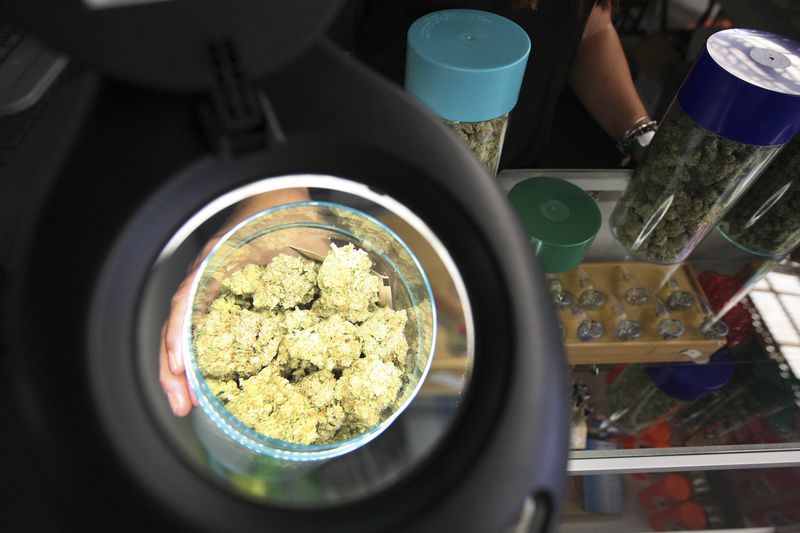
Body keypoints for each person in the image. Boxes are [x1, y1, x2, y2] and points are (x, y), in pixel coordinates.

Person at [160, 0, 651, 414]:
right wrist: (275, 193)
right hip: (353, 170)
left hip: (503, 165)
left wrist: (641, 134)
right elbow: (266, 40)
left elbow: (592, 26)